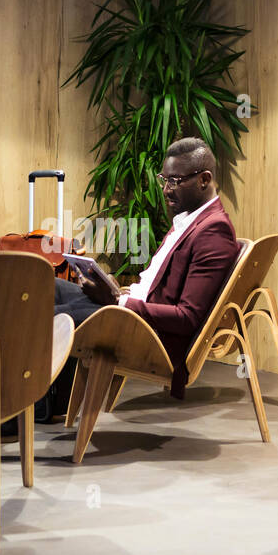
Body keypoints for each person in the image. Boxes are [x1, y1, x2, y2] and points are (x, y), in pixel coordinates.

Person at [54, 136, 242, 399]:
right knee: (49, 288)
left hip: (149, 335)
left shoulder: (214, 231)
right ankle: (41, 404)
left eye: (174, 181)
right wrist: (121, 293)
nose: (165, 189)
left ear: (204, 179)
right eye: (163, 179)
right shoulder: (189, 220)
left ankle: (22, 408)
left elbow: (187, 317)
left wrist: (118, 303)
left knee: (53, 315)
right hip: (134, 311)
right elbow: (158, 286)